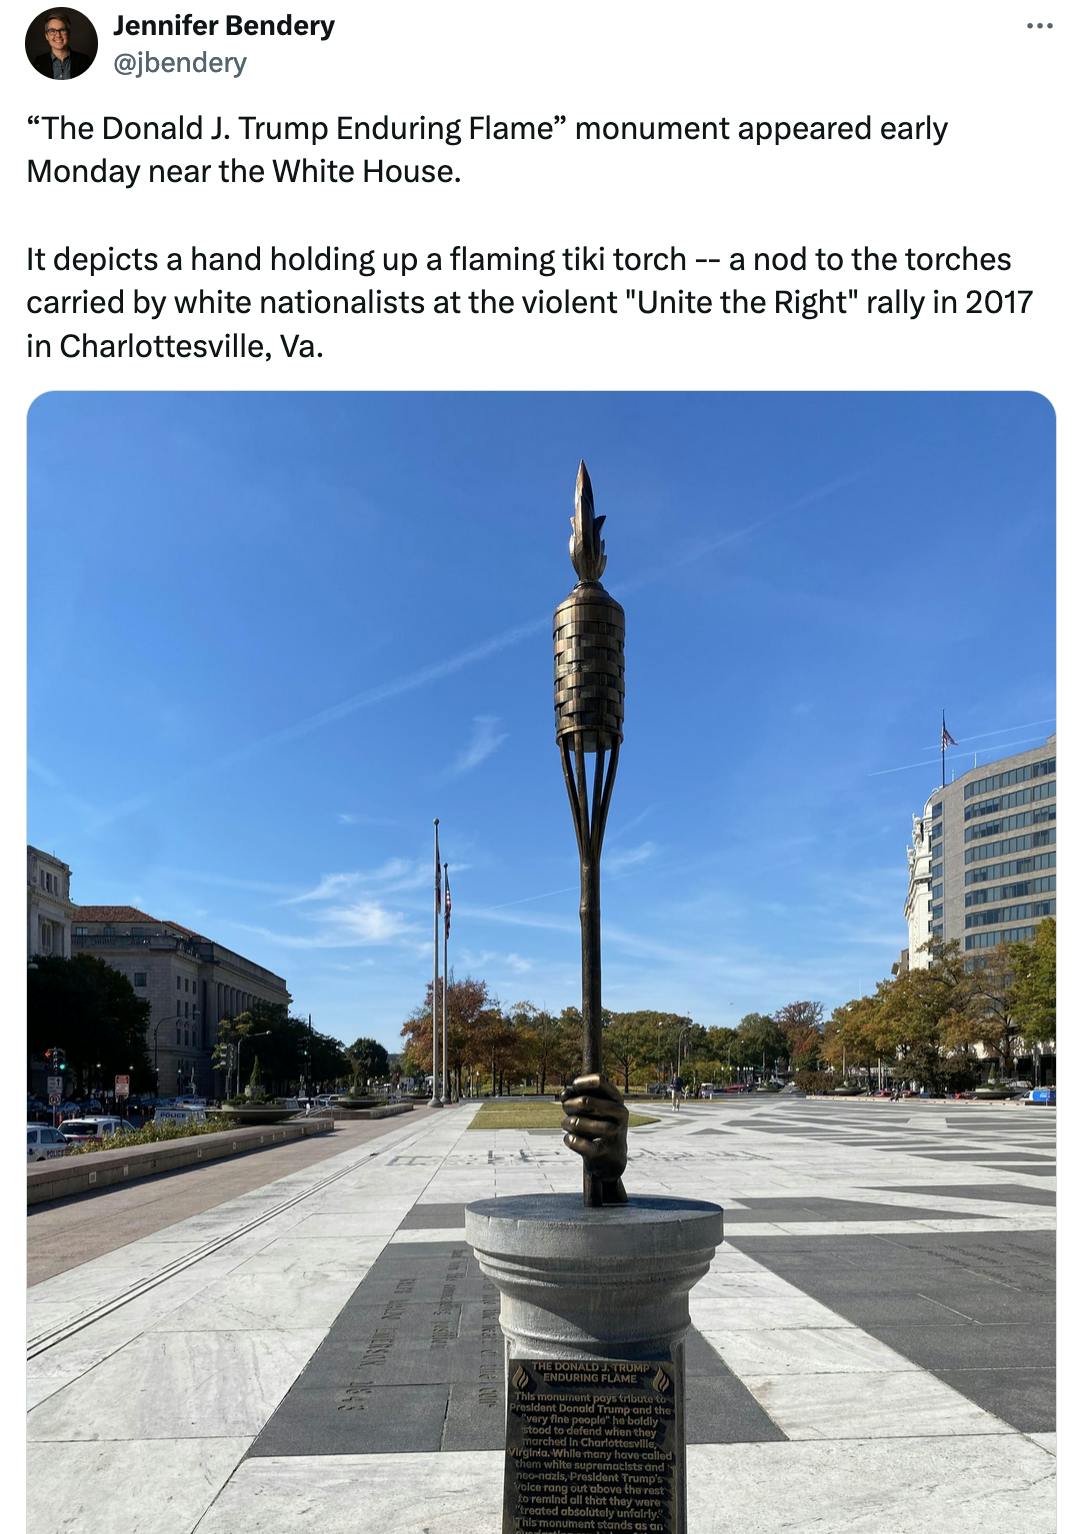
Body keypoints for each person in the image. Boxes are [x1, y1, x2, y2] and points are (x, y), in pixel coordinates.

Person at [32, 14, 91, 79]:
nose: (58, 35)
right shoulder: (38, 63)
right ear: (46, 36)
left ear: (68, 33)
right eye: (52, 31)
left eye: (62, 30)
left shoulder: (84, 61)